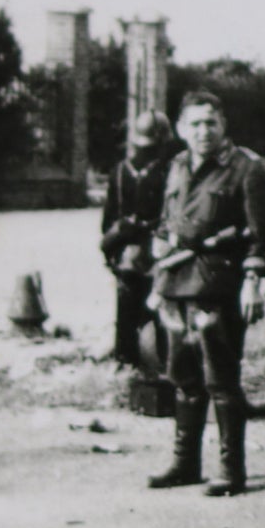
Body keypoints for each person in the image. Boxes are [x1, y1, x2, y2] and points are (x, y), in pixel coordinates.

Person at [147, 91, 265, 496]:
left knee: (221, 380)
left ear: (223, 126)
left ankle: (230, 471)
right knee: (183, 377)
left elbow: (261, 237)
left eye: (211, 123)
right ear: (182, 128)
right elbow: (167, 221)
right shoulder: (178, 165)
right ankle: (185, 465)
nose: (204, 131)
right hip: (174, 286)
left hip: (217, 288)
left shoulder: (245, 169)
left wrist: (253, 282)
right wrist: (159, 244)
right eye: (195, 124)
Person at [100, 111, 176, 370]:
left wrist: (112, 252)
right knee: (161, 314)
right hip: (156, 252)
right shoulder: (170, 171)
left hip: (126, 254)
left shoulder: (119, 171)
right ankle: (164, 365)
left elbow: (108, 220)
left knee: (126, 312)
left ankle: (125, 361)